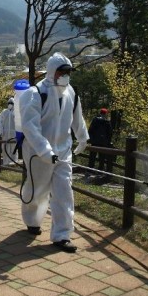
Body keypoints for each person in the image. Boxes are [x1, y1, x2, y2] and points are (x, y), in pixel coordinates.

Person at [19, 52, 89, 253]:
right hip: (37, 153)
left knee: (64, 192)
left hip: (63, 151)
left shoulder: (71, 93)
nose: (66, 75)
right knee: (37, 190)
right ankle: (32, 219)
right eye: (62, 71)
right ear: (52, 72)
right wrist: (44, 150)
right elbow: (30, 126)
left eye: (69, 72)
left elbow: (78, 117)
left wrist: (83, 137)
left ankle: (62, 234)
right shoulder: (35, 93)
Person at [87, 108, 114, 184]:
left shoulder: (95, 120)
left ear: (100, 113)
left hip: (95, 142)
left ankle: (90, 170)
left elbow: (90, 130)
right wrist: (108, 141)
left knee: (92, 157)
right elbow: (110, 133)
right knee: (101, 158)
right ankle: (100, 172)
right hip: (103, 143)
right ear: (105, 114)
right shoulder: (107, 121)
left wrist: (91, 139)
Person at [0, 97, 16, 165]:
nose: (10, 104)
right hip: (5, 133)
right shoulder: (4, 112)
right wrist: (1, 131)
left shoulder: (16, 112)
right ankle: (6, 162)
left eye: (11, 103)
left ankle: (14, 162)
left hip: (14, 133)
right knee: (5, 147)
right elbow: (0, 122)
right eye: (9, 103)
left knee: (13, 147)